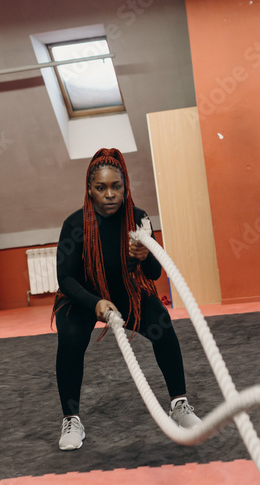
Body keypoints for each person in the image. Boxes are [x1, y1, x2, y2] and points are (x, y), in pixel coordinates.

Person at [52, 148, 201, 451]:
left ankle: (179, 403)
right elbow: (65, 278)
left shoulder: (139, 219)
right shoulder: (75, 224)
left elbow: (155, 271)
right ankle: (71, 419)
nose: (109, 194)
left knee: (163, 326)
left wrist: (145, 256)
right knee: (69, 342)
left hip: (124, 292)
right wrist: (95, 303)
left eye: (116, 187)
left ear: (125, 186)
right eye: (101, 187)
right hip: (81, 297)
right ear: (89, 190)